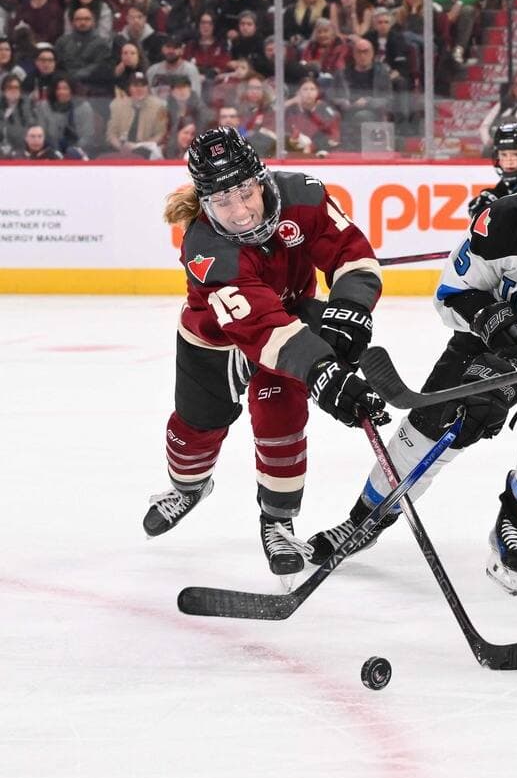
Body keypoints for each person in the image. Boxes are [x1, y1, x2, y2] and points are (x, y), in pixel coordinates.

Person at [304, 139, 517, 595]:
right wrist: (489, 318)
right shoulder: (500, 220)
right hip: (495, 336)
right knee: (430, 426)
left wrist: (503, 381)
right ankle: (363, 521)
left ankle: (515, 525)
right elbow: (454, 292)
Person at [145, 126, 388, 578]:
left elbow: (352, 255)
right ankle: (189, 487)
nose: (238, 212)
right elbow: (263, 330)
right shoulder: (204, 250)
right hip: (216, 339)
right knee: (197, 427)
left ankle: (277, 520)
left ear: (261, 177)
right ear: (204, 202)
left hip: (291, 314)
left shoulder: (305, 196)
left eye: (243, 191)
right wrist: (323, 372)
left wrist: (351, 310)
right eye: (221, 201)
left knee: (280, 410)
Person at [468, 122, 517, 218]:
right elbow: (497, 197)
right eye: (503, 155)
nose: (509, 161)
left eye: (516, 154)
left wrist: (496, 206)